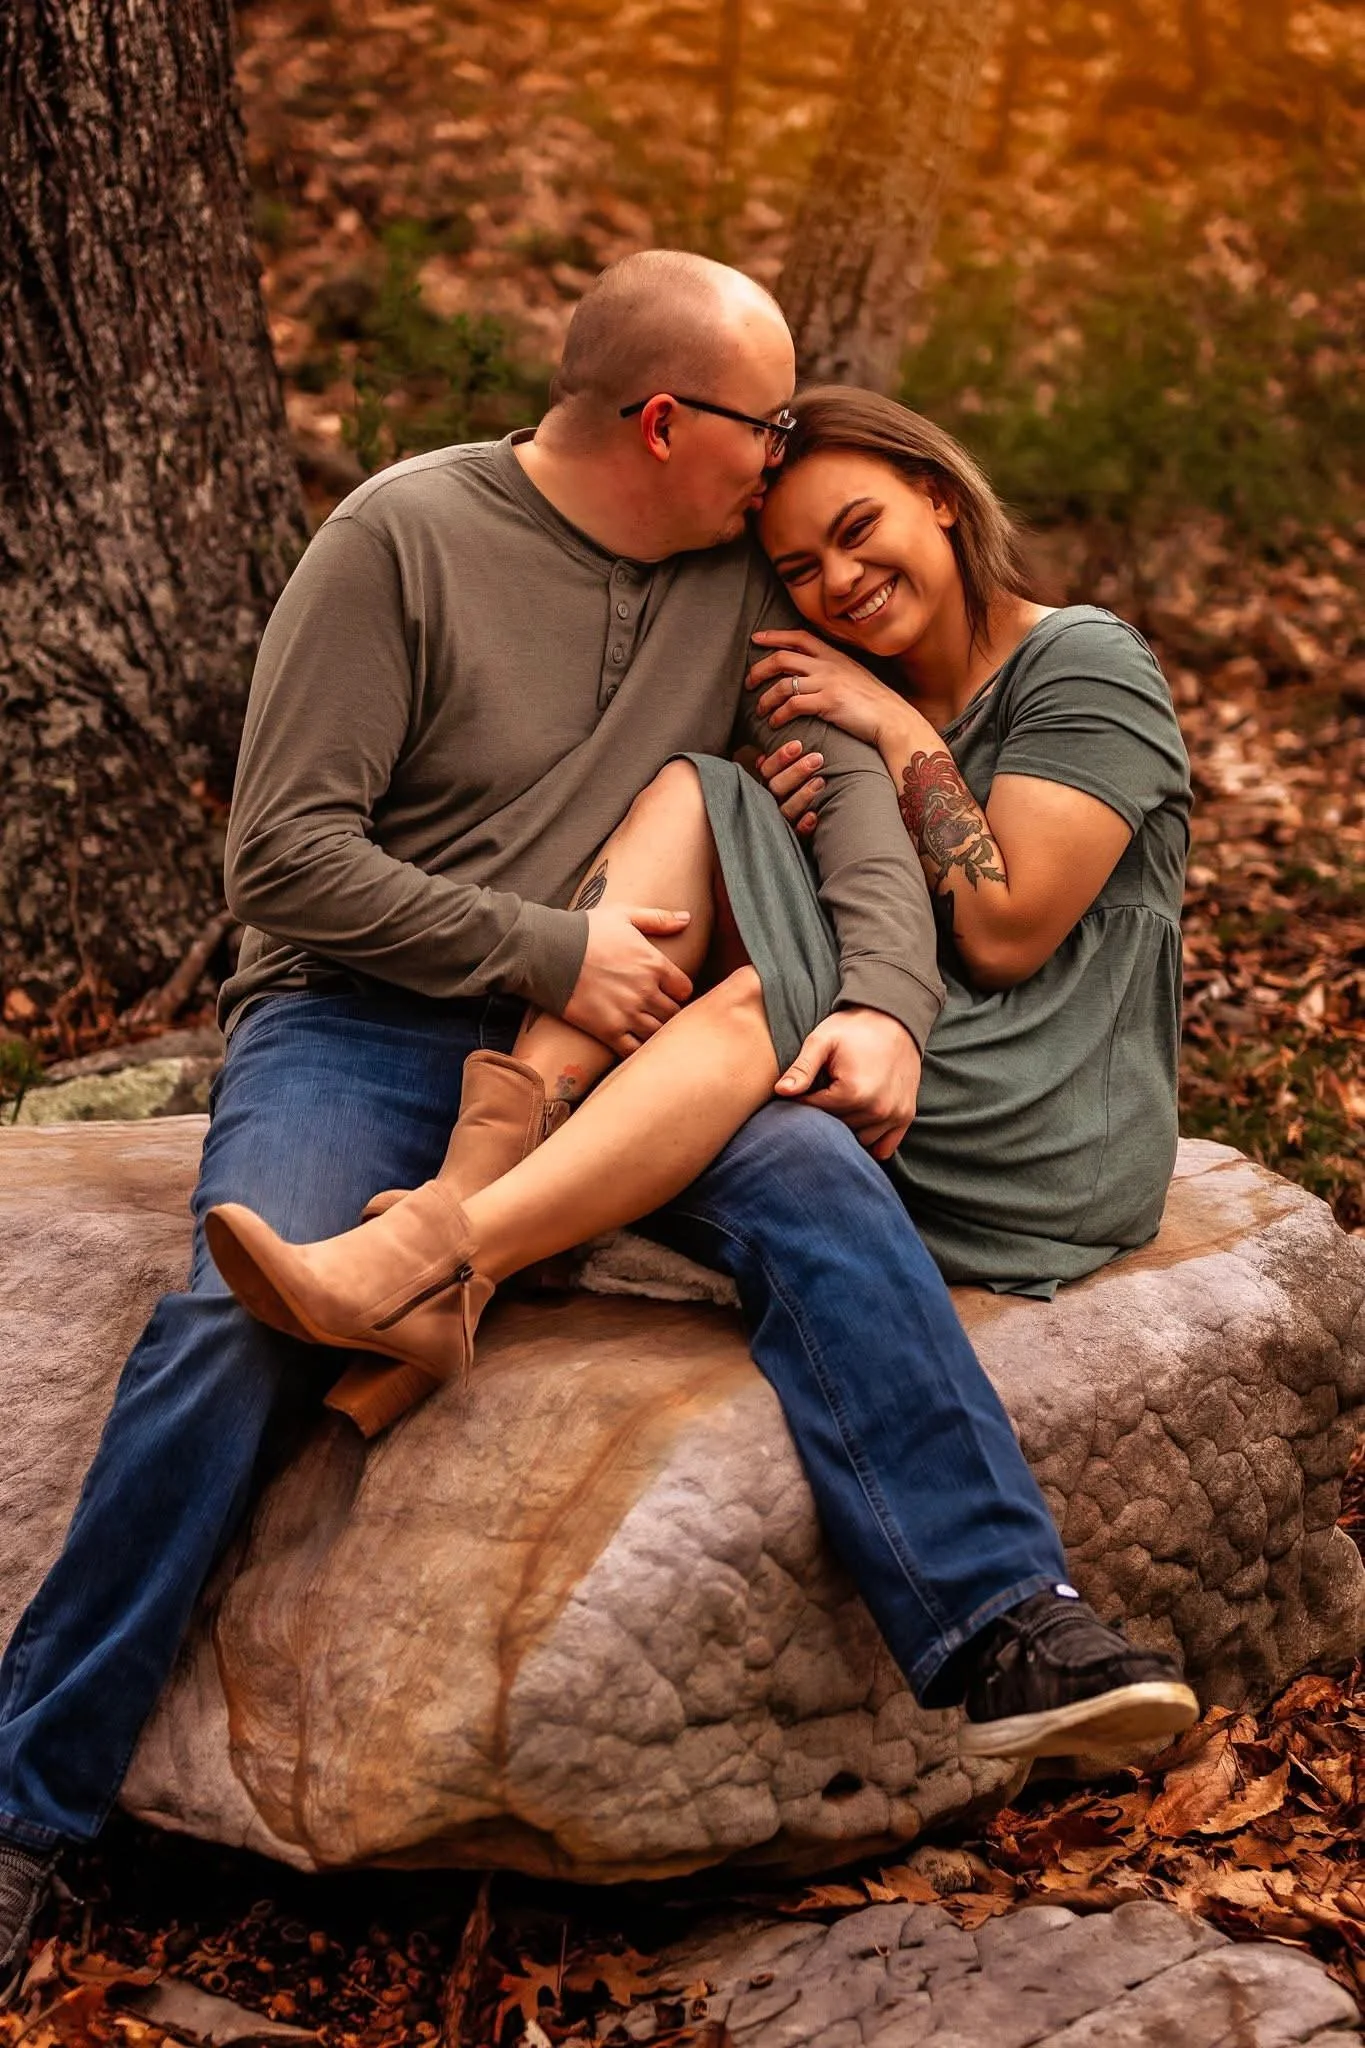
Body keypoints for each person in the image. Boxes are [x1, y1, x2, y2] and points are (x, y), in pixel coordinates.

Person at [0, 253, 1193, 2004]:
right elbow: (283, 866)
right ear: (665, 421)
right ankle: (28, 1814)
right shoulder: (400, 542)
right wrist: (554, 949)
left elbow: (846, 805)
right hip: (362, 1023)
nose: (784, 470)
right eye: (764, 425)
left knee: (806, 1179)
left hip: (625, 1050)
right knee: (235, 1328)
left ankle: (1006, 1620)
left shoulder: (750, 585)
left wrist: (880, 1006)